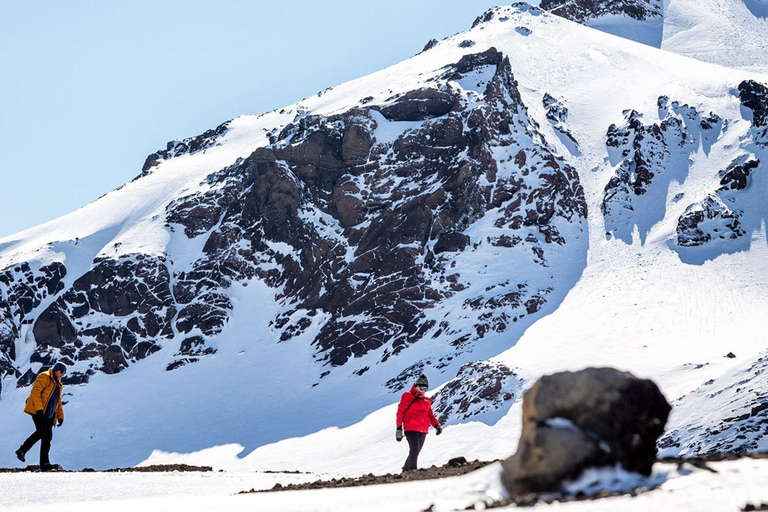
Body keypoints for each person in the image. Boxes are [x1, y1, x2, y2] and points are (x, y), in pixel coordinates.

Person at [15, 362, 66, 470]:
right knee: (42, 431)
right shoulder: (45, 376)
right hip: (38, 410)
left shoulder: (58, 384)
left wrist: (60, 416)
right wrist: (39, 409)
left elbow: (58, 401)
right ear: (57, 370)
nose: (62, 375)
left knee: (47, 437)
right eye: (62, 372)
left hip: (49, 414)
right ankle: (22, 450)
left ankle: (44, 463)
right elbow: (35, 392)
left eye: (64, 374)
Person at [395, 373, 442, 472]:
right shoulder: (407, 396)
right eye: (421, 388)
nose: (423, 391)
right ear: (416, 386)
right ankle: (413, 472)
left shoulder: (426, 400)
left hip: (423, 430)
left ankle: (405, 471)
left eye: (425, 389)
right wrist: (399, 429)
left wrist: (437, 425)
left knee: (415, 452)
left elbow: (430, 415)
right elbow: (400, 412)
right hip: (411, 428)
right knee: (414, 450)